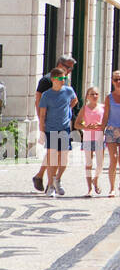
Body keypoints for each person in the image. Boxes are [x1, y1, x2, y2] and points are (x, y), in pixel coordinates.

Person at [32, 55, 75, 193]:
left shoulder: (66, 85)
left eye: (71, 69)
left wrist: (66, 111)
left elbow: (72, 100)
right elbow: (38, 101)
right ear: (60, 65)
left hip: (63, 126)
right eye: (68, 67)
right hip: (50, 125)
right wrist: (41, 123)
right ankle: (49, 183)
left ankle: (43, 177)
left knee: (58, 155)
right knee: (52, 155)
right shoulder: (46, 80)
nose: (69, 71)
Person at [75, 86, 106, 196]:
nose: (94, 96)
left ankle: (96, 179)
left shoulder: (103, 107)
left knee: (100, 163)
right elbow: (77, 124)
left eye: (96, 94)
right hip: (88, 137)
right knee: (89, 163)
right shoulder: (85, 108)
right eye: (92, 94)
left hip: (99, 137)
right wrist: (86, 126)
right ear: (87, 96)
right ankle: (89, 189)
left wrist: (101, 125)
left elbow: (107, 122)